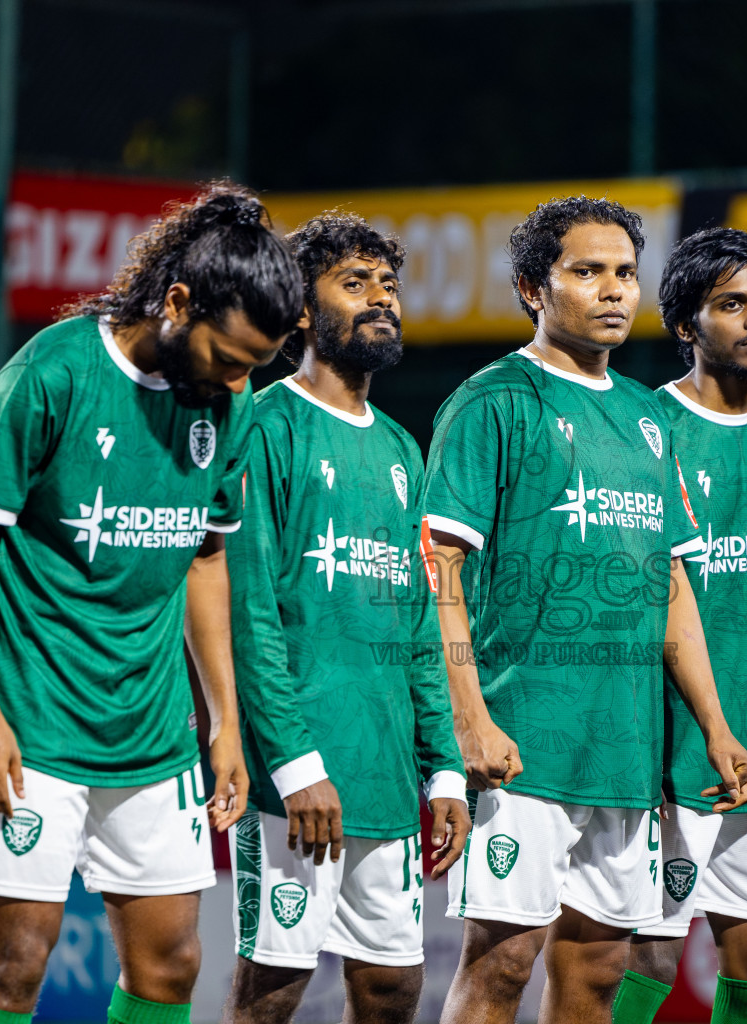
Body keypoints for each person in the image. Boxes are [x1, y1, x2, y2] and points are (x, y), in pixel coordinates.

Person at [0, 184, 300, 1024]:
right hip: (36, 727)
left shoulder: (226, 406)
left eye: (256, 366)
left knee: (171, 965)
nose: (242, 381)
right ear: (176, 303)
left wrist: (225, 721)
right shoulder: (52, 373)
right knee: (14, 966)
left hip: (154, 735)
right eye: (231, 357)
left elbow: (208, 557)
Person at [422, 196, 747, 1024]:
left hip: (626, 747)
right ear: (536, 289)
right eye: (587, 273)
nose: (613, 291)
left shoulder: (649, 417)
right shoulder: (492, 400)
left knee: (601, 972)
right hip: (524, 742)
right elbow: (439, 570)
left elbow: (671, 584)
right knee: (500, 966)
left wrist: (715, 726)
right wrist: (468, 718)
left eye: (624, 274)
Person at [222, 212, 470, 1024]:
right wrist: (295, 764)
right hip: (294, 777)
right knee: (272, 990)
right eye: (354, 284)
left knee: (395, 989)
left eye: (388, 286)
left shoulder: (403, 448)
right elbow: (246, 609)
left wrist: (443, 769)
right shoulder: (264, 426)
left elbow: (419, 624)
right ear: (300, 309)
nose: (380, 301)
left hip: (389, 775)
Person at [613, 227, 747, 1024]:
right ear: (686, 324)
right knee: (651, 952)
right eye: (733, 304)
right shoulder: (645, 425)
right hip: (671, 742)